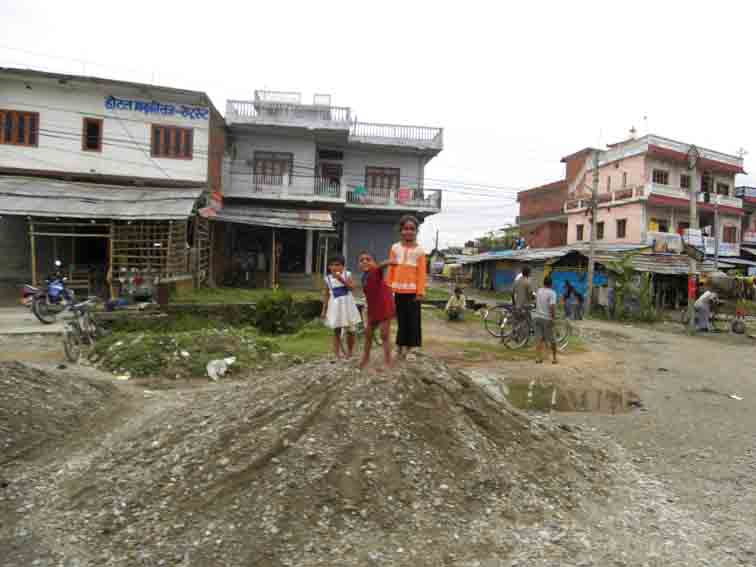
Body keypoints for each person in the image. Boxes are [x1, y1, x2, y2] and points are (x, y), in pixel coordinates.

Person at [386, 215, 427, 360]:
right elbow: (390, 270)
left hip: (413, 292)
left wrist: (420, 291)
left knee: (413, 320)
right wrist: (388, 287)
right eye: (405, 229)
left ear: (416, 231)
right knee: (401, 320)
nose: (408, 231)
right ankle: (400, 345)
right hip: (397, 290)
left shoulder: (420, 251)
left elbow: (422, 273)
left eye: (412, 229)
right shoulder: (395, 248)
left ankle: (413, 348)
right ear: (400, 230)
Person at [357, 251, 395, 370]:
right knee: (368, 334)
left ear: (374, 263)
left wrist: (387, 262)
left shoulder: (375, 272)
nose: (364, 262)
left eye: (368, 259)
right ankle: (366, 357)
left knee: (384, 335)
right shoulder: (363, 277)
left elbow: (380, 267)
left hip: (384, 307)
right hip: (373, 309)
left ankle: (388, 362)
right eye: (361, 260)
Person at [321, 255, 362, 359]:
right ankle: (336, 353)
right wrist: (324, 310)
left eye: (338, 265)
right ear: (329, 267)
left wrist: (341, 279)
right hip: (335, 307)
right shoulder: (328, 279)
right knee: (336, 330)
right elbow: (326, 295)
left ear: (343, 267)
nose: (335, 267)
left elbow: (352, 288)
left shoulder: (347, 275)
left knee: (350, 329)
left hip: (347, 306)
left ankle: (350, 351)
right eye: (332, 265)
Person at [534, 275, 558, 364]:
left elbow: (536, 302)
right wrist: (553, 318)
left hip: (537, 317)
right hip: (547, 318)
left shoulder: (539, 291)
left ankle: (538, 358)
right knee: (552, 339)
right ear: (551, 284)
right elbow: (552, 307)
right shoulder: (552, 293)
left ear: (544, 283)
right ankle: (554, 358)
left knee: (539, 339)